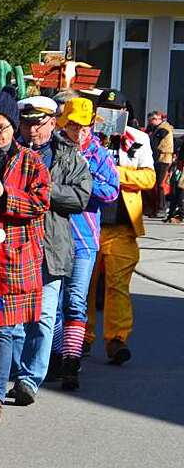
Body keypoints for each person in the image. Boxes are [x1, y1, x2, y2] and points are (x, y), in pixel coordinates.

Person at [0, 87, 50, 424]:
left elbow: (40, 204)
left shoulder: (31, 161)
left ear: (14, 128)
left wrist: (6, 194)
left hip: (15, 253)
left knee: (3, 325)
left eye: (2, 127)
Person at [8, 95, 91, 404]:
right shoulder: (10, 151)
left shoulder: (68, 155)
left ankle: (30, 379)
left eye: (39, 124)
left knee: (43, 316)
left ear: (52, 123)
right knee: (14, 319)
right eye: (27, 123)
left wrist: (43, 191)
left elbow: (81, 197)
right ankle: (16, 372)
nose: (32, 131)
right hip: (15, 245)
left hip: (51, 246)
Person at [53, 97, 119, 390]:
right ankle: (55, 356)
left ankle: (71, 362)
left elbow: (112, 191)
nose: (79, 132)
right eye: (73, 126)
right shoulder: (52, 150)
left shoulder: (99, 154)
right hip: (53, 235)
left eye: (84, 126)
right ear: (63, 123)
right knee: (52, 303)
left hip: (84, 238)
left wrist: (84, 181)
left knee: (75, 301)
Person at [87, 89, 155, 365]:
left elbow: (149, 178)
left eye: (117, 110)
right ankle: (80, 338)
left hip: (121, 227)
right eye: (106, 110)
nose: (112, 115)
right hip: (88, 222)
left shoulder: (138, 139)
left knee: (118, 286)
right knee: (84, 287)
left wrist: (116, 173)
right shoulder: (85, 138)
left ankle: (117, 339)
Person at [146, 110, 174, 217]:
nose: (150, 123)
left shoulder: (163, 129)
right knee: (157, 183)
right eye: (149, 120)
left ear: (158, 119)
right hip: (161, 158)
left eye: (152, 120)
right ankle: (157, 207)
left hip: (163, 159)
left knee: (159, 183)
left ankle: (161, 207)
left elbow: (154, 144)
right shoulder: (157, 129)